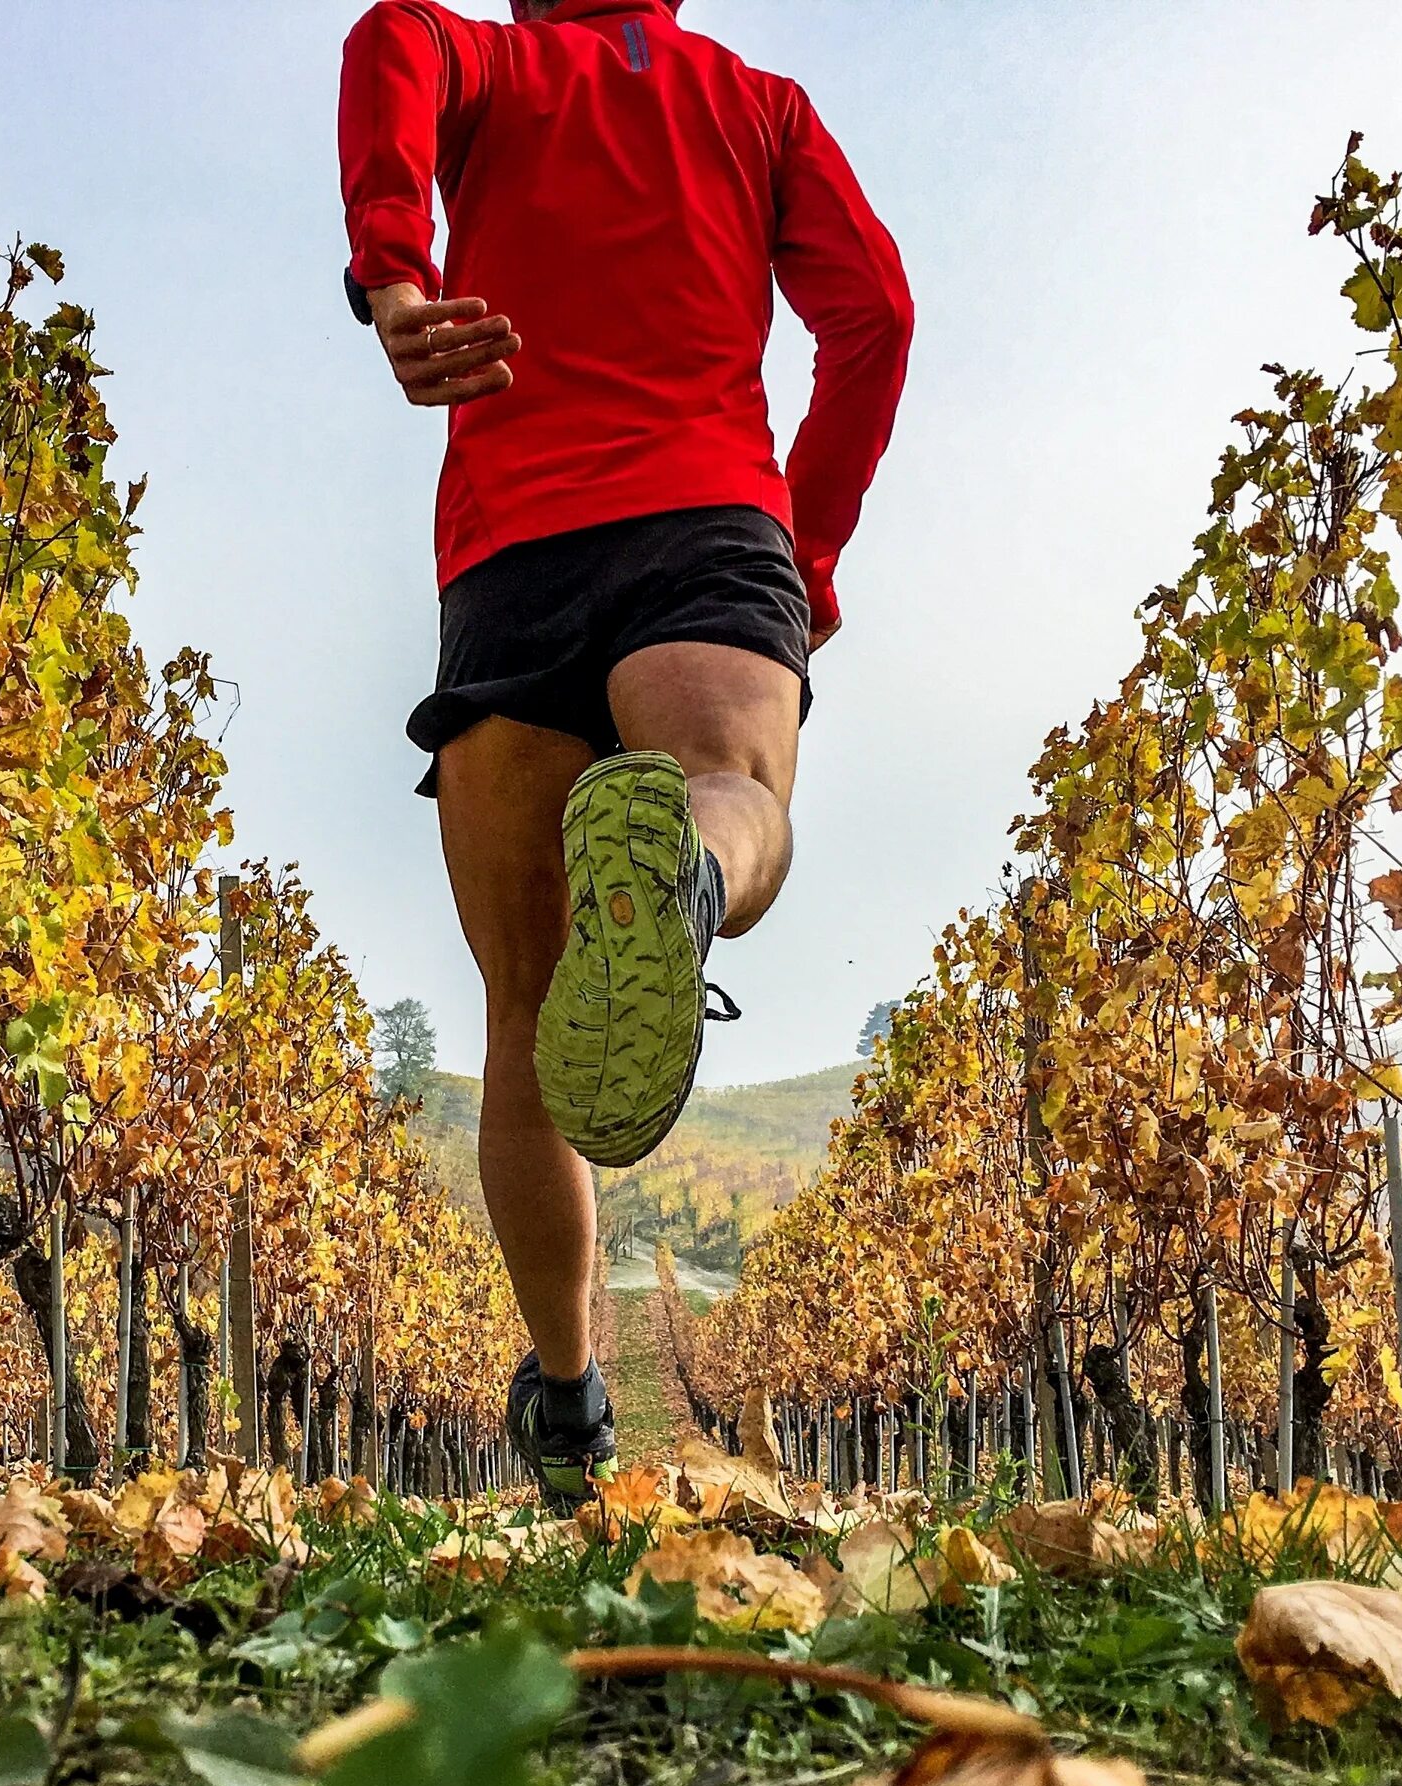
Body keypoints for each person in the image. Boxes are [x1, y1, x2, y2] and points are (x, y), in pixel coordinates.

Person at [338, 0, 913, 1503]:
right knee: (739, 795)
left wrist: (398, 272)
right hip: (711, 529)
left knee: (525, 1012)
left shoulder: (496, 62)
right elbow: (876, 315)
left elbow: (393, 38)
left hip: (515, 545)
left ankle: (574, 1400)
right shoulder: (756, 105)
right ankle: (691, 868)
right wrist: (813, 551)